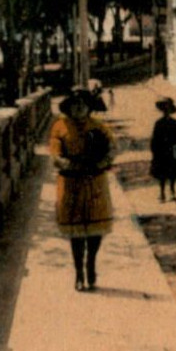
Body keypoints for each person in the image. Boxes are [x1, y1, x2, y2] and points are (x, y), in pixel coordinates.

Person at [49, 89, 115, 291]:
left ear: (89, 107)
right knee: (76, 230)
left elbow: (112, 148)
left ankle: (91, 265)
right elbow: (55, 153)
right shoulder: (60, 127)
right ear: (69, 107)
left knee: (95, 227)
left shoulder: (99, 126)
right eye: (75, 104)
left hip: (94, 182)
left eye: (83, 104)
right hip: (71, 183)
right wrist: (68, 163)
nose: (79, 107)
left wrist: (101, 162)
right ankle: (79, 272)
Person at [148, 98, 176, 202]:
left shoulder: (175, 123)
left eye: (168, 108)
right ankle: (162, 192)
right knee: (161, 173)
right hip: (161, 151)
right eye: (164, 109)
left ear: (171, 110)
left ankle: (172, 189)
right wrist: (154, 151)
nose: (166, 111)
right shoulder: (158, 123)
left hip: (172, 151)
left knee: (173, 172)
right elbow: (155, 138)